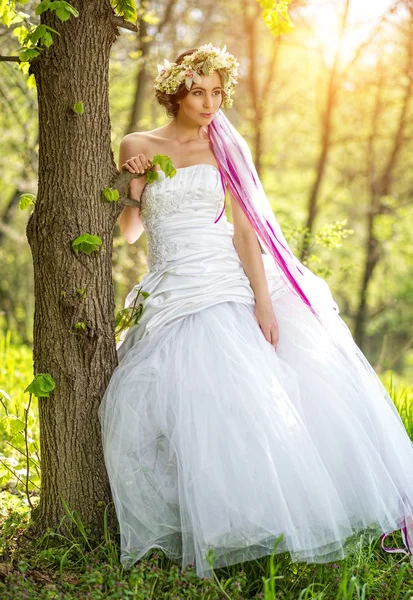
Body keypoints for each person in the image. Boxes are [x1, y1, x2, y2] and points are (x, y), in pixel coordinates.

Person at [98, 43, 413, 579]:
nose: (210, 102)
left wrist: (264, 303)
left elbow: (245, 231)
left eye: (218, 92)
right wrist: (133, 185)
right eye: (199, 91)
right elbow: (131, 234)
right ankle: (195, 520)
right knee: (169, 401)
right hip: (171, 285)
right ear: (176, 90)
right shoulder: (138, 142)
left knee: (240, 394)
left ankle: (268, 519)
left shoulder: (224, 148)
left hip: (223, 280)